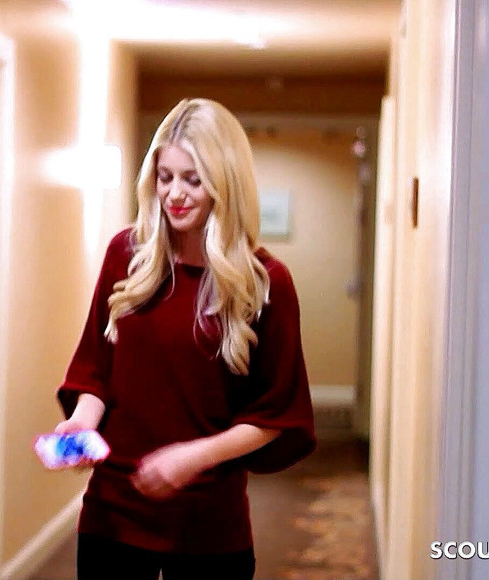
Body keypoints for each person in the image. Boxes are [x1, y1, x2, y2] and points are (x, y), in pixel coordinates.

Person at [54, 98, 316, 580]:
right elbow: (96, 368)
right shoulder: (126, 256)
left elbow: (275, 413)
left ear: (224, 183)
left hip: (208, 525)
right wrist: (81, 423)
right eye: (165, 176)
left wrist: (193, 457)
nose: (175, 193)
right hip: (112, 515)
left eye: (193, 180)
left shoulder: (265, 283)